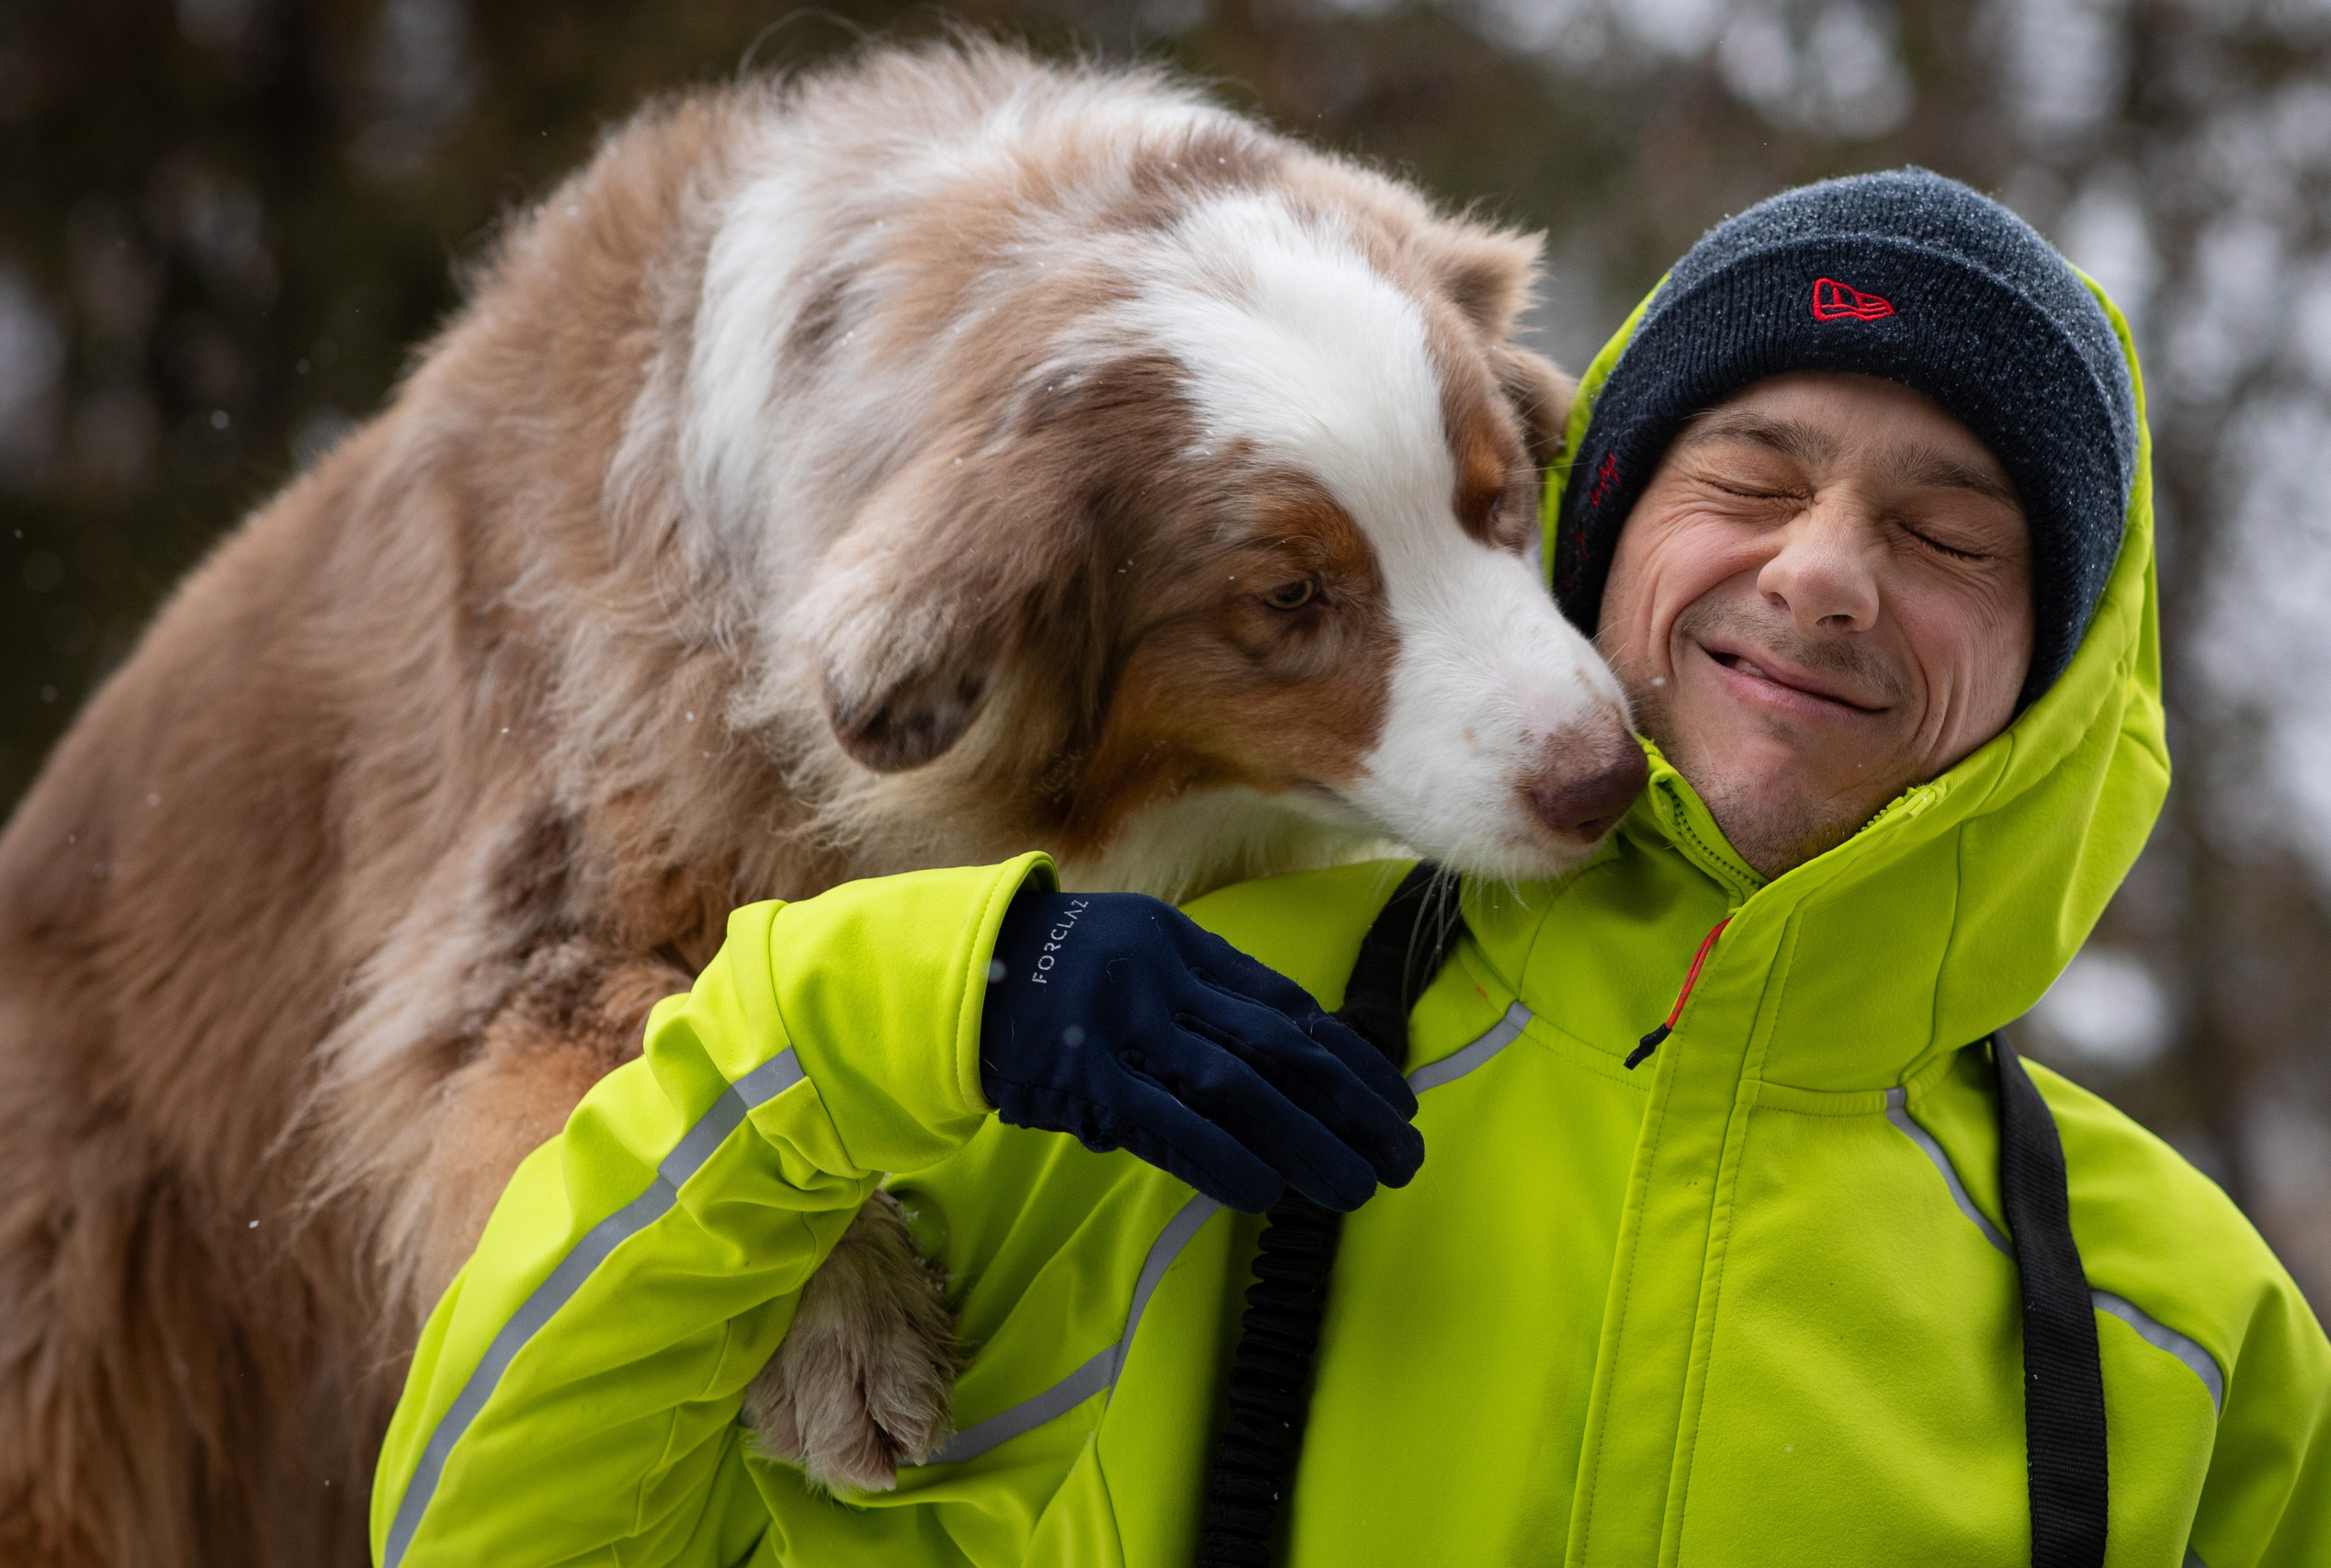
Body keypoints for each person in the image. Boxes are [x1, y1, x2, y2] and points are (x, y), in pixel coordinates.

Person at [368, 172, 2329, 1566]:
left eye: (1944, 526)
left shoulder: (2191, 1333)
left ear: (2061, 667)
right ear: (1600, 516)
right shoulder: (1136, 1032)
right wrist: (854, 1019)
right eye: (1745, 476)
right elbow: (500, 1528)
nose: (1819, 569)